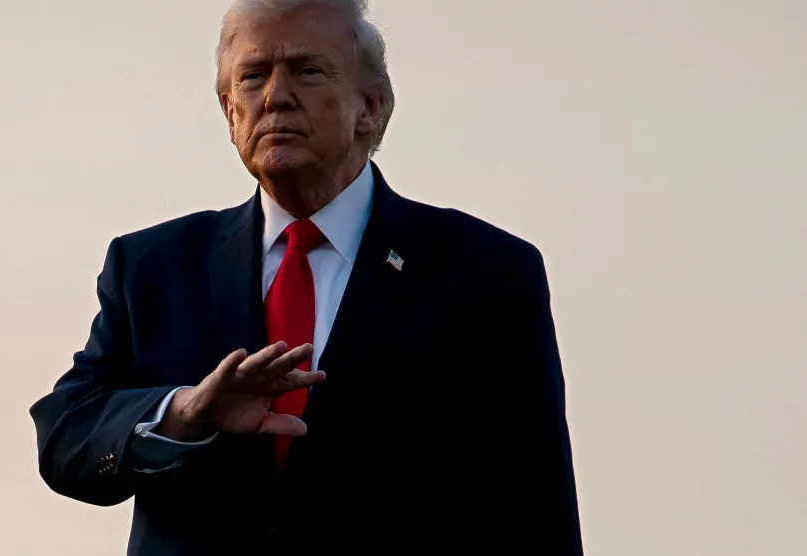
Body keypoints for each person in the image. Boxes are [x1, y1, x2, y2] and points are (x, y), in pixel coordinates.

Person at [29, 0, 583, 553]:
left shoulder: (485, 272)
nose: (275, 96)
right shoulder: (152, 265)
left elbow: (537, 507)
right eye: (253, 76)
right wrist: (186, 413)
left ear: (370, 106)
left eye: (307, 70)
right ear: (229, 113)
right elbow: (65, 437)